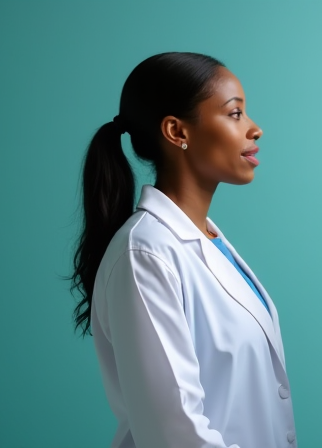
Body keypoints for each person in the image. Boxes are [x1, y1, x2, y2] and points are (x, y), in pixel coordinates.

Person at [70, 52, 296, 448]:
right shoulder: (145, 254)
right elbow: (174, 433)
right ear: (177, 131)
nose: (255, 129)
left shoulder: (204, 240)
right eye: (235, 113)